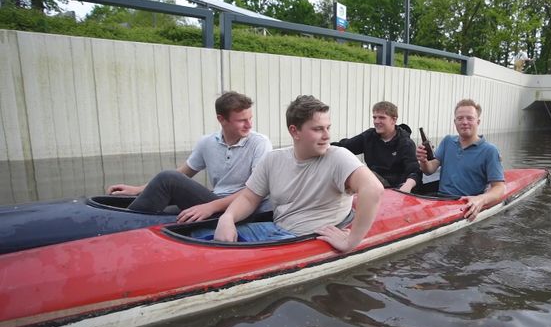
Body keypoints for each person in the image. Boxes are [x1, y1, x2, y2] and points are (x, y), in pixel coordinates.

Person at [213, 95, 384, 253]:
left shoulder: (338, 156)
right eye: (318, 129)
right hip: (273, 230)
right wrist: (227, 218)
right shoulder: (273, 159)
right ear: (294, 131)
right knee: (202, 234)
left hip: (304, 239)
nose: (327, 136)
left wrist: (351, 242)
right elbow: (249, 198)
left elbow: (373, 189)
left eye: (328, 128)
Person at [107, 91, 272, 223]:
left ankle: (121, 223)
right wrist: (136, 190)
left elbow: (256, 192)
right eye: (242, 120)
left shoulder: (260, 143)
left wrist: (210, 207)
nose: (249, 125)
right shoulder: (207, 142)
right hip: (215, 200)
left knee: (168, 178)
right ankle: (126, 217)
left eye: (250, 118)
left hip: (241, 209)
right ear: (222, 120)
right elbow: (184, 173)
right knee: (168, 187)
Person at [415, 99, 505, 222]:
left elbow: (499, 188)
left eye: (469, 118)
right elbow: (429, 170)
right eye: (460, 118)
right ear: (455, 122)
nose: (464, 122)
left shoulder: (490, 151)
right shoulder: (447, 141)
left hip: (465, 204)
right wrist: (423, 160)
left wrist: (481, 199)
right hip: (440, 201)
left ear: (478, 122)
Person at [332, 101, 419, 192]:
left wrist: (407, 187)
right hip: (372, 183)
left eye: (381, 118)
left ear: (394, 120)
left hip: (395, 190)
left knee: (362, 174)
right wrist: (322, 146)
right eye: (374, 117)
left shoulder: (406, 143)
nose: (376, 121)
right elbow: (344, 147)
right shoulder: (369, 136)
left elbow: (414, 171)